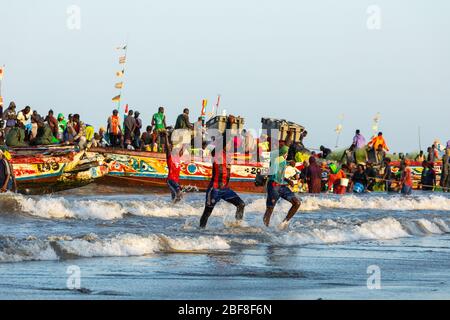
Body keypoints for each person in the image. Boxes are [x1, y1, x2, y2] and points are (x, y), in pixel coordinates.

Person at [200, 138, 246, 228]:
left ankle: (238, 226)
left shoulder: (228, 155)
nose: (231, 146)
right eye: (229, 143)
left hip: (225, 189)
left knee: (241, 204)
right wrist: (229, 125)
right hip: (215, 189)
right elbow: (225, 137)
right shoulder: (216, 152)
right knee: (207, 212)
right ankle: (201, 230)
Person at [263, 145, 301, 228]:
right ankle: (265, 229)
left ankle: (284, 223)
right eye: (286, 152)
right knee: (269, 210)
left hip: (282, 186)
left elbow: (280, 175)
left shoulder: (283, 160)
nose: (286, 154)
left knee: (297, 203)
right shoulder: (274, 158)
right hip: (273, 186)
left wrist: (288, 180)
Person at [164, 132, 185, 203]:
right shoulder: (170, 157)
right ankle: (173, 205)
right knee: (179, 194)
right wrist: (166, 136)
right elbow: (167, 147)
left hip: (176, 181)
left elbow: (182, 150)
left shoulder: (178, 157)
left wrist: (183, 140)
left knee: (177, 197)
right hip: (170, 180)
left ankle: (172, 208)